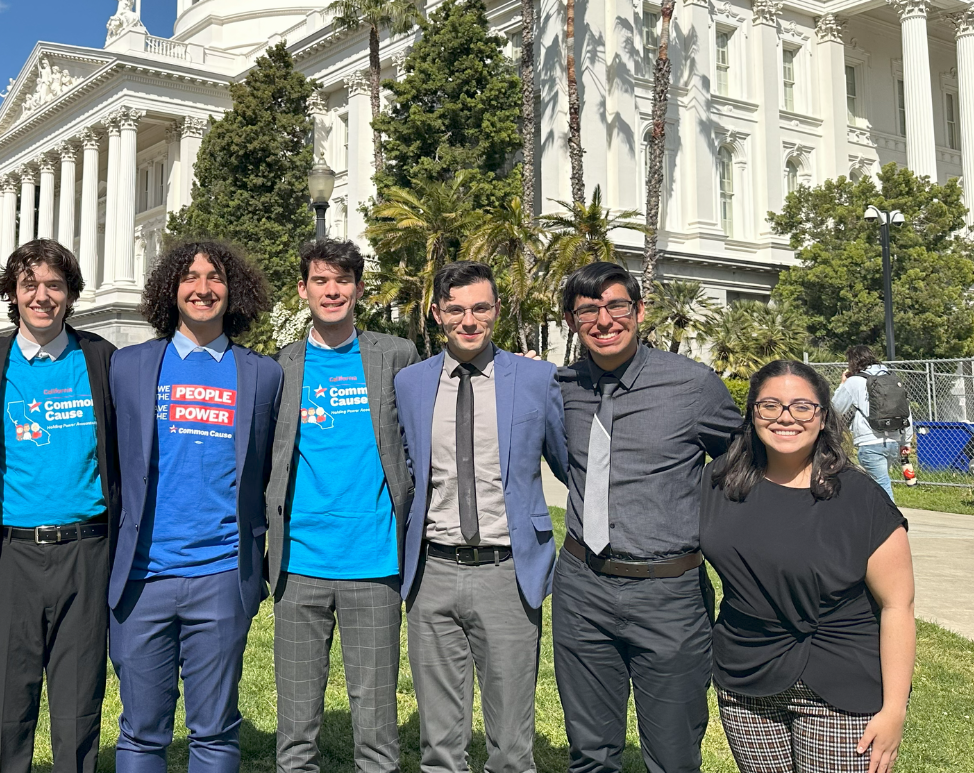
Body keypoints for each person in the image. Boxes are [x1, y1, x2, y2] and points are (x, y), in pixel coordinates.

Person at [554, 261, 742, 773]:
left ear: (639, 311)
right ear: (572, 321)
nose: (604, 320)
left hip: (669, 595)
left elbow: (744, 464)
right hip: (582, 588)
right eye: (587, 311)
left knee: (673, 756)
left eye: (616, 305)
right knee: (590, 754)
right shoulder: (562, 387)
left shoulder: (693, 386)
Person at [106, 239, 283, 773]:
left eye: (215, 278)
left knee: (216, 731)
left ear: (234, 291)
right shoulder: (128, 366)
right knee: (140, 732)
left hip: (223, 575)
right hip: (142, 577)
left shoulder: (263, 375)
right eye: (190, 277)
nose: (202, 288)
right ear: (171, 289)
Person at [393, 260, 567, 773]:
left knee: (511, 746)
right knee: (439, 746)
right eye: (456, 310)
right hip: (431, 573)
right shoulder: (410, 383)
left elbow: (569, 465)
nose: (469, 321)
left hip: (507, 572)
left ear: (497, 310)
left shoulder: (536, 379)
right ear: (436, 314)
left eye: (480, 308)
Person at [0, 239, 119, 773]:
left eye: (54, 285)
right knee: (8, 698)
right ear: (12, 294)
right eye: (30, 285)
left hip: (87, 550)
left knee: (79, 698)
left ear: (70, 294)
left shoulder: (102, 359)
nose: (42, 296)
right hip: (10, 554)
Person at [702, 360, 914, 773]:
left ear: (822, 416)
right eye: (770, 405)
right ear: (752, 413)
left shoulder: (860, 498)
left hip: (841, 683)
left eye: (802, 406)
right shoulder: (719, 483)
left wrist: (894, 710)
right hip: (745, 678)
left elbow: (897, 606)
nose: (786, 417)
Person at [265, 239, 417, 773]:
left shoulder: (395, 356)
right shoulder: (282, 367)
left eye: (343, 280)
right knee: (295, 729)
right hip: (298, 565)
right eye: (321, 281)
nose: (332, 291)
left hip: (373, 563)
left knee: (376, 727)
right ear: (303, 289)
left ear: (358, 288)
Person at [832, 346, 897, 502]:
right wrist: (905, 441)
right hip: (894, 440)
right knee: (874, 484)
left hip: (870, 442)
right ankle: (871, 512)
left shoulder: (854, 382)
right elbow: (904, 409)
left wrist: (843, 384)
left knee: (882, 485)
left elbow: (836, 408)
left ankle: (891, 515)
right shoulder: (891, 377)